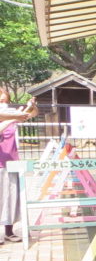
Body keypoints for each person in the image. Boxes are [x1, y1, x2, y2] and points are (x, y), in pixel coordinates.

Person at [0, 91, 38, 245]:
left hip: (12, 162)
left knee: (11, 197)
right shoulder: (10, 117)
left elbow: (31, 114)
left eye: (5, 99)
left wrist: (32, 106)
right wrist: (14, 117)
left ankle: (9, 231)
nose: (3, 102)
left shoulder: (11, 114)